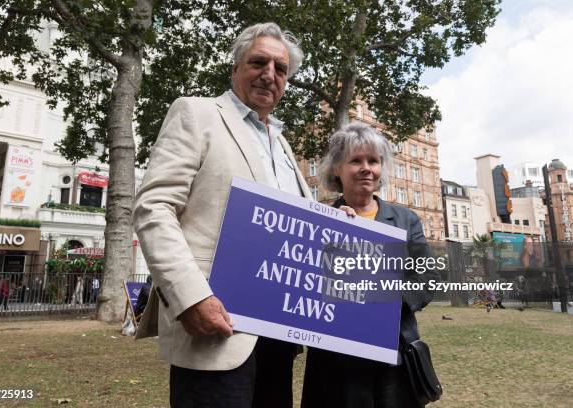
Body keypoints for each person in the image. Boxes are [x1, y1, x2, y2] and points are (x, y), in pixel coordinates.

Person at [133, 22, 311, 408]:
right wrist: (190, 298)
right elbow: (153, 207)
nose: (269, 75)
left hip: (278, 336)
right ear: (235, 69)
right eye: (258, 62)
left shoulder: (282, 146)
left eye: (280, 69)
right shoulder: (196, 113)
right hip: (215, 327)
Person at [301, 123, 440, 408]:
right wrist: (331, 233)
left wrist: (385, 300)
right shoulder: (319, 220)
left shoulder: (405, 219)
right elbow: (301, 280)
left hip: (394, 355)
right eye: (355, 160)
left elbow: (427, 275)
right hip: (335, 361)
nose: (366, 168)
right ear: (336, 169)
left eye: (373, 161)